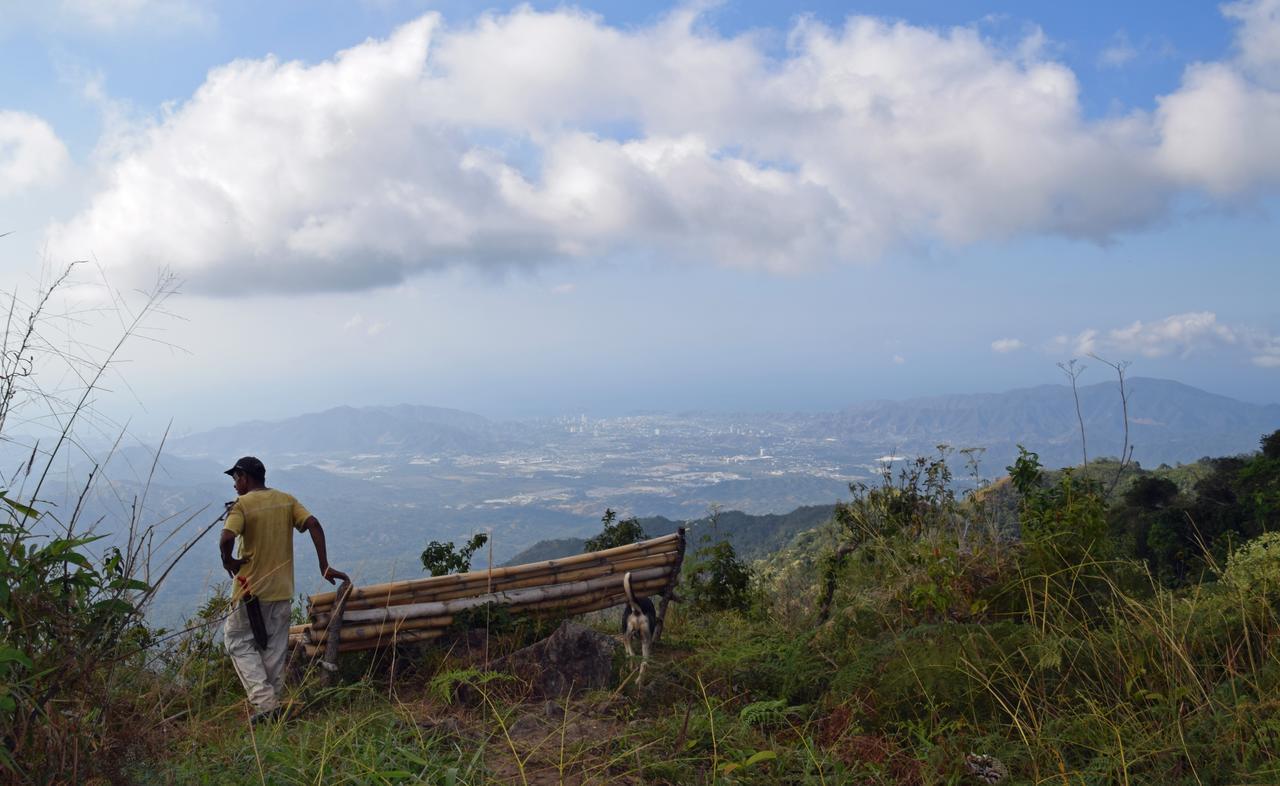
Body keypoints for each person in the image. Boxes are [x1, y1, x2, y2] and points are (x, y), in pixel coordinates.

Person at [219, 456, 349, 723]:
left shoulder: (242, 505)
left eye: (235, 479)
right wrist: (324, 566)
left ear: (244, 477)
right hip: (281, 591)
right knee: (274, 651)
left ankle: (265, 705)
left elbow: (226, 537)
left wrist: (228, 561)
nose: (234, 485)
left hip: (249, 591)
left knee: (237, 642)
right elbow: (313, 524)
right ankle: (272, 710)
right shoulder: (286, 499)